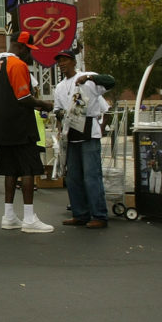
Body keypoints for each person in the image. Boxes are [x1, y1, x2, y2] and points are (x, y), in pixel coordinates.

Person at [0, 32, 54, 233]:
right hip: (20, 125)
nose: (29, 55)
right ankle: (29, 218)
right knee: (28, 169)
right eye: (28, 50)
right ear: (21, 46)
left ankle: (8, 215)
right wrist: (44, 104)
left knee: (10, 170)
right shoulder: (17, 65)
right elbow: (24, 97)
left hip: (1, 126)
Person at [52, 48, 115, 229]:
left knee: (91, 176)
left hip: (88, 131)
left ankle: (99, 215)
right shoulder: (60, 87)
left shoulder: (88, 77)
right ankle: (80, 213)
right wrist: (60, 115)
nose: (62, 64)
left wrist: (89, 78)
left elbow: (110, 81)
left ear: (74, 61)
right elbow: (57, 109)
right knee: (73, 178)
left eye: (65, 60)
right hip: (70, 132)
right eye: (59, 61)